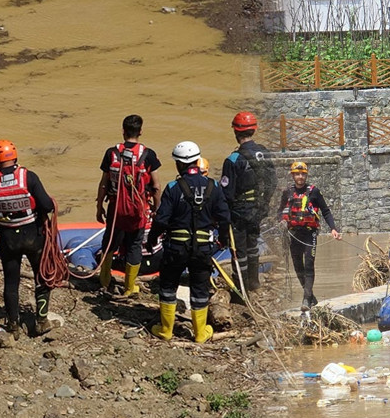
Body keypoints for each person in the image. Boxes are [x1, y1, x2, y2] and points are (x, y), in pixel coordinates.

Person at [147, 141, 230, 343]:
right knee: (200, 288)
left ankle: (166, 330)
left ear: (178, 164)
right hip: (202, 249)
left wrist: (152, 239)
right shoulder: (214, 186)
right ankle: (200, 333)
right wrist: (224, 240)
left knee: (168, 285)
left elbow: (161, 219)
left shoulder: (174, 188)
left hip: (175, 248)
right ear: (197, 160)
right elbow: (225, 217)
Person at [0, 140, 56, 338]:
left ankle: (13, 325)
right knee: (42, 277)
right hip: (33, 237)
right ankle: (41, 321)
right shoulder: (28, 177)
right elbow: (47, 205)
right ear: (15, 157)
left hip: (8, 241)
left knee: (11, 283)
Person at [95, 114, 161, 296]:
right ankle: (129, 288)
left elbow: (103, 183)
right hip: (138, 210)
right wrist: (157, 209)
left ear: (123, 131)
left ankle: (105, 280)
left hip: (115, 209)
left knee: (109, 243)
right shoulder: (148, 155)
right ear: (140, 132)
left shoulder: (111, 153)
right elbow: (155, 186)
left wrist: (99, 206)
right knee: (134, 245)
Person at [220, 111, 277, 298]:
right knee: (253, 246)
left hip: (239, 211)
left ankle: (241, 290)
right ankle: (254, 282)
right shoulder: (264, 152)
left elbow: (227, 194)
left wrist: (224, 217)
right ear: (254, 130)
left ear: (235, 132)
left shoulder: (233, 160)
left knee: (239, 250)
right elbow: (272, 182)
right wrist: (264, 205)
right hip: (258, 209)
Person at [278, 161, 341, 311]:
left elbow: (325, 211)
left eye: (303, 174)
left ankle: (306, 299)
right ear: (292, 175)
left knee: (308, 265)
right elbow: (280, 211)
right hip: (293, 234)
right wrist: (281, 221)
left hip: (309, 233)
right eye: (297, 174)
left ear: (306, 175)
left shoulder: (314, 192)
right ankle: (311, 297)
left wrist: (333, 228)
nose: (300, 177)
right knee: (298, 267)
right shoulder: (287, 192)